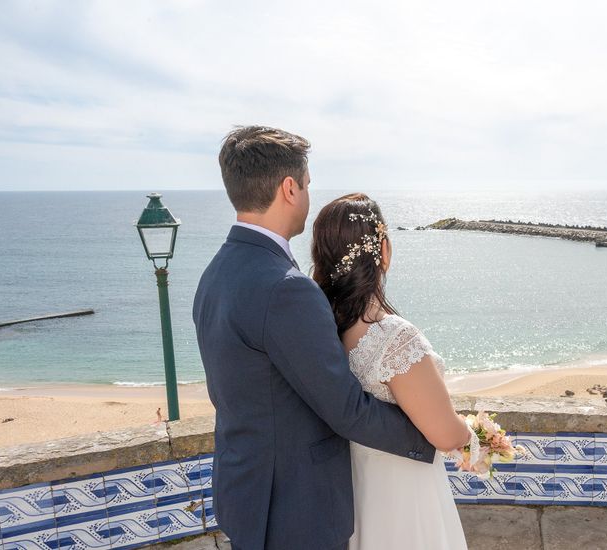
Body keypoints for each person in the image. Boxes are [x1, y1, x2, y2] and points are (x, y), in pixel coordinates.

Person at [193, 126, 439, 550]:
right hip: (295, 511)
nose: (308, 194)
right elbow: (345, 409)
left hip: (245, 494)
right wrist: (433, 434)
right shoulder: (284, 287)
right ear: (289, 187)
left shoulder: (214, 275)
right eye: (307, 184)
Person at [311, 193, 472, 550]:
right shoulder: (395, 338)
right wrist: (473, 435)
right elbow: (445, 435)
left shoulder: (322, 335)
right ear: (383, 250)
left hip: (354, 493)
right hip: (406, 499)